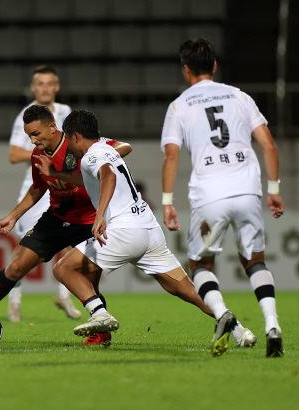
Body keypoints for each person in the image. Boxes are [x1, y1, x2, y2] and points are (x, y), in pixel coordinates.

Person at [50, 109, 235, 357]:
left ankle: (100, 315)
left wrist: (100, 214)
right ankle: (238, 329)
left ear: (74, 136)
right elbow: (100, 174)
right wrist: (56, 175)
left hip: (124, 231)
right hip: (149, 230)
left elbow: (107, 176)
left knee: (63, 268)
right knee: (184, 288)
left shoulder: (91, 156)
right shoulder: (106, 148)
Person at [0, 105, 131, 346]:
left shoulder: (78, 145)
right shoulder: (38, 155)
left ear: (52, 127)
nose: (33, 141)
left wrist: (101, 156)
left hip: (87, 222)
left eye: (36, 134)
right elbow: (38, 188)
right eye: (29, 136)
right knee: (15, 268)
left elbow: (124, 147)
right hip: (55, 219)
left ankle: (102, 332)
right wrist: (13, 216)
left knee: (90, 282)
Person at [161, 38, 285, 357]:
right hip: (247, 189)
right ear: (214, 66)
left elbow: (171, 156)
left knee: (201, 264)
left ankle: (221, 313)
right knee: (255, 261)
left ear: (186, 69)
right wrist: (273, 190)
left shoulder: (179, 106)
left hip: (209, 195)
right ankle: (272, 323)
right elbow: (269, 145)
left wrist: (166, 200)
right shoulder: (240, 97)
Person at [6, 65, 79, 322]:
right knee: (26, 244)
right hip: (38, 185)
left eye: (50, 84)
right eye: (41, 84)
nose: (46, 88)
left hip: (65, 184)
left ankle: (64, 294)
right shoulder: (24, 117)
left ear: (56, 87)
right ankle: (14, 301)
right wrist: (45, 150)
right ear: (33, 88)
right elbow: (14, 154)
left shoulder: (66, 112)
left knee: (74, 238)